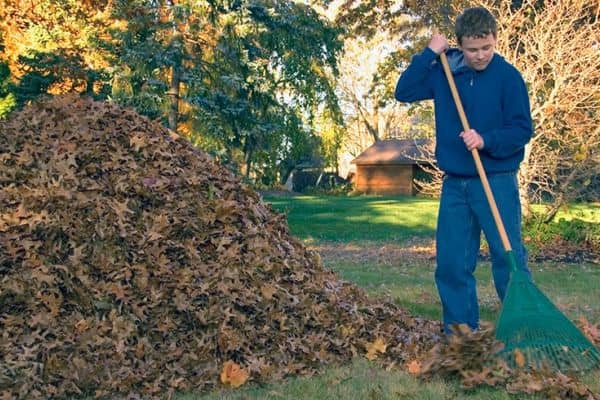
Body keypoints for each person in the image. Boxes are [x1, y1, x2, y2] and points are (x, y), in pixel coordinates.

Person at [394, 7, 533, 334]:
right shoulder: (445, 70)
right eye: (472, 50)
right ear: (459, 45)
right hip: (456, 183)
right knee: (453, 263)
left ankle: (522, 328)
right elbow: (404, 91)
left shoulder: (507, 77)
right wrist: (429, 53)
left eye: (487, 47)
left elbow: (521, 129)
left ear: (495, 40)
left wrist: (487, 139)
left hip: (496, 181)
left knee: (507, 259)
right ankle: (460, 333)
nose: (481, 55)